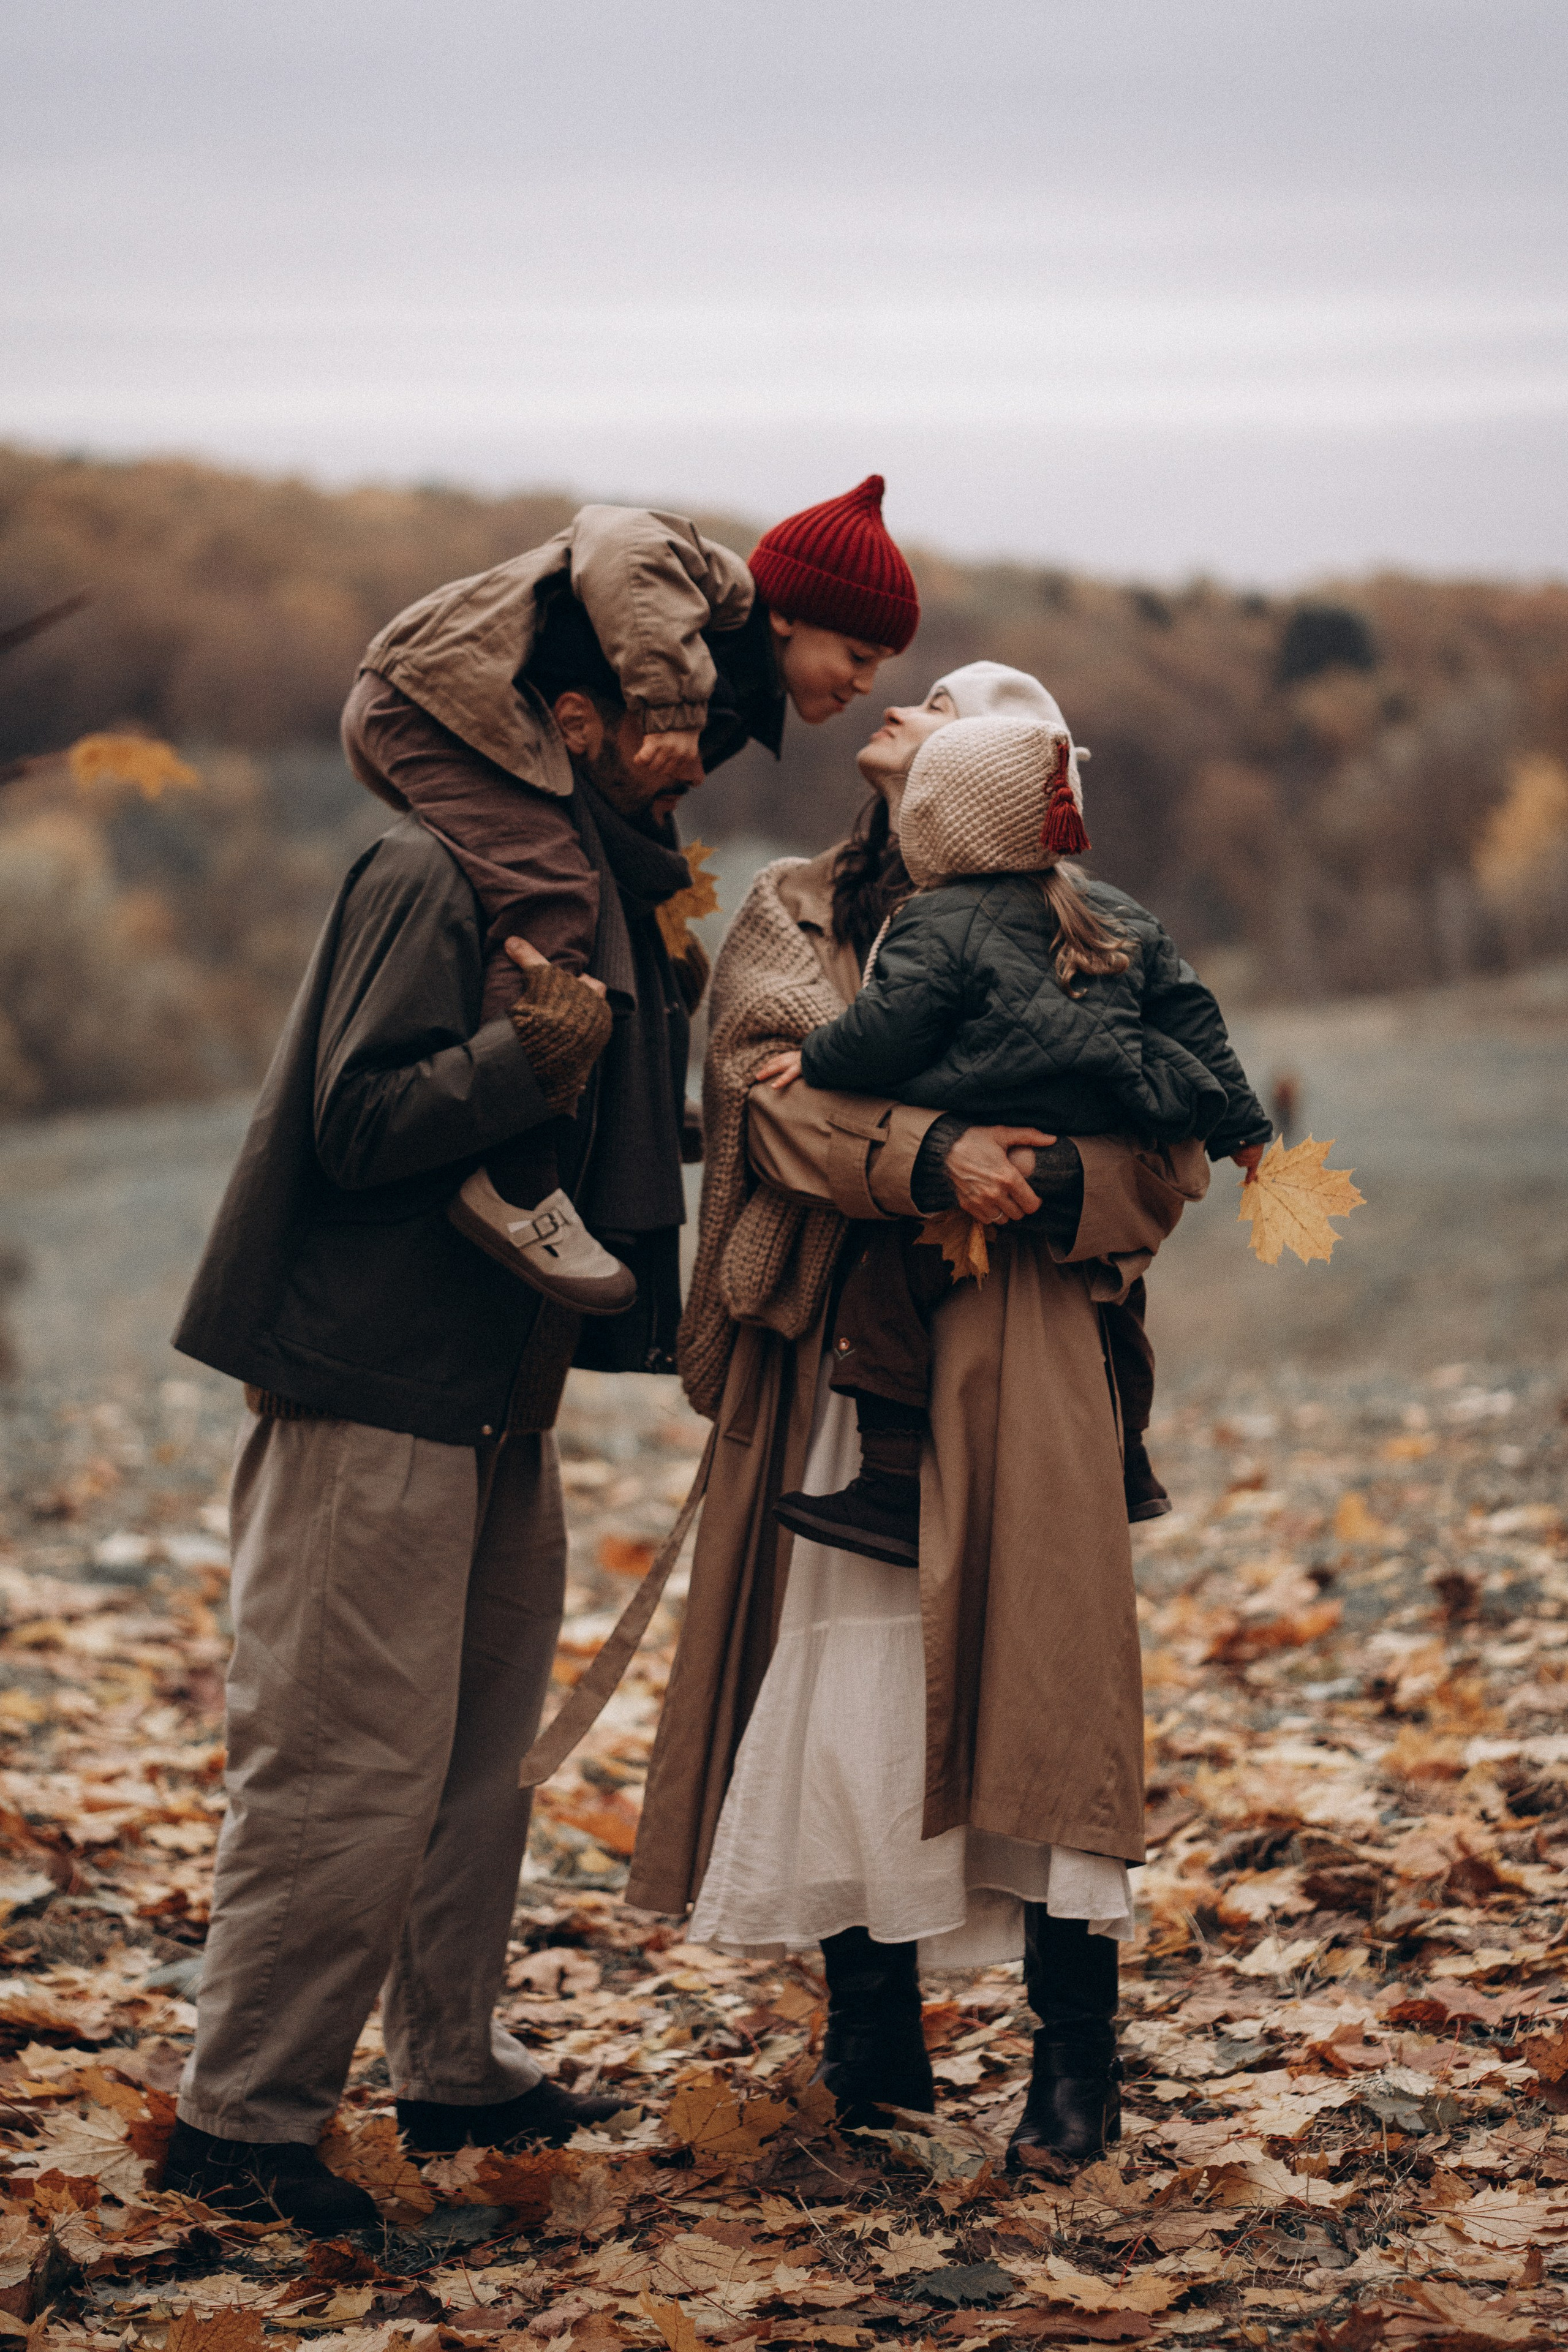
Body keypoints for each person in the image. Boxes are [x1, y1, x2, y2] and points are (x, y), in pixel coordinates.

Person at [161, 617, 722, 2230]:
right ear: (561, 717)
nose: (684, 754)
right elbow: (356, 1120)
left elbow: (581, 1109)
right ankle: (243, 2128)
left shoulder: (584, 890)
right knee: (344, 1773)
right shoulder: (424, 872)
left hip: (496, 1403)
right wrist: (526, 1054)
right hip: (371, 1393)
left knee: (479, 1769)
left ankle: (453, 2065)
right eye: (655, 719)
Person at [624, 659, 1211, 2176]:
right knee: (852, 1673)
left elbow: (1173, 1142)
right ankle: (871, 2034)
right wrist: (932, 1150)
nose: (916, 721)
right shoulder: (793, 912)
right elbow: (770, 1094)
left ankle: (1076, 2066)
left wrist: (1063, 1184)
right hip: (841, 1340)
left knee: (1045, 1679)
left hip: (1030, 1334)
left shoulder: (1092, 928)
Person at [340, 482, 918, 1313]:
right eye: (858, 655)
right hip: (431, 705)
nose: (865, 682)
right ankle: (514, 1173)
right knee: (551, 888)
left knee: (649, 919)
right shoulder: (722, 596)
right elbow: (614, 538)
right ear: (787, 617)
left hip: (507, 735)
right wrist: (669, 701)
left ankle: (634, 1102)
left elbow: (636, 829)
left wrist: (667, 929)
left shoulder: (742, 695)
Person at [766, 703, 1272, 1566]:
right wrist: (1244, 1126)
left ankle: (888, 1482)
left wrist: (816, 1057)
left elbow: (887, 1033)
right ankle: (1130, 1458)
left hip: (980, 1146)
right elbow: (1192, 1016)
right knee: (1119, 1304)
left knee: (883, 1291)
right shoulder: (1114, 910)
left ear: (937, 825)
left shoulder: (936, 921)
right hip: (1082, 1163)